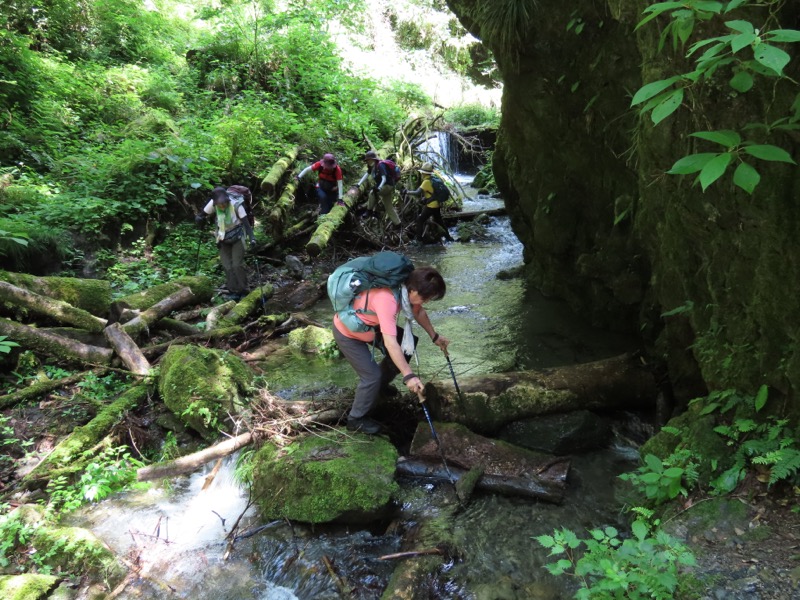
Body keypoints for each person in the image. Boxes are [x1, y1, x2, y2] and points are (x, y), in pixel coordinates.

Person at [332, 265, 450, 434]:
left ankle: (380, 386)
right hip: (348, 333)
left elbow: (419, 312)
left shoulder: (406, 287)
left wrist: (435, 337)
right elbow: (390, 343)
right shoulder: (387, 299)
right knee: (372, 376)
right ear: (413, 290)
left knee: (407, 346)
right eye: (425, 297)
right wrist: (409, 376)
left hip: (371, 327)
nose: (427, 301)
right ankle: (356, 419)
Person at [195, 187, 256, 301]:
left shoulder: (237, 206)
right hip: (223, 237)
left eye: (224, 203)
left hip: (238, 236)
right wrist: (199, 218)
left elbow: (247, 225)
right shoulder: (213, 204)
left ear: (228, 200)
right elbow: (202, 214)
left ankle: (244, 290)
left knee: (237, 264)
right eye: (220, 204)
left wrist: (252, 238)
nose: (222, 206)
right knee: (227, 265)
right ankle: (233, 291)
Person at [404, 162, 455, 243]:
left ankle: (419, 240)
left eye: (422, 173)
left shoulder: (426, 182)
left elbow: (417, 192)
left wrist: (407, 192)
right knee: (439, 221)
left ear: (424, 173)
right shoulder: (433, 179)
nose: (421, 174)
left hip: (431, 206)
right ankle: (448, 237)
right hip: (437, 204)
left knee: (420, 220)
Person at [357, 150, 401, 226]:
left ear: (372, 159)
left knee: (372, 193)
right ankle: (398, 224)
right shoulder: (371, 167)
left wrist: (379, 188)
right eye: (366, 160)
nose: (367, 162)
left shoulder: (380, 165)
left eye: (368, 160)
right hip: (384, 187)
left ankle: (369, 211)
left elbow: (384, 179)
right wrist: (358, 184)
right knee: (389, 207)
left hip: (387, 186)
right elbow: (366, 175)